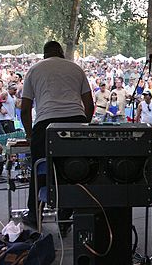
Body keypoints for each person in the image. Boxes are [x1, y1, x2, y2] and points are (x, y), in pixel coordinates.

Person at [21, 41, 94, 232]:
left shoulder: (34, 70)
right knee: (74, 170)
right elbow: (90, 104)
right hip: (76, 121)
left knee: (40, 171)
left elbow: (25, 109)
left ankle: (34, 216)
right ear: (61, 52)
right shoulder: (76, 68)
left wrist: (30, 135)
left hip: (46, 123)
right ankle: (66, 215)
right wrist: (83, 127)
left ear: (44, 54)